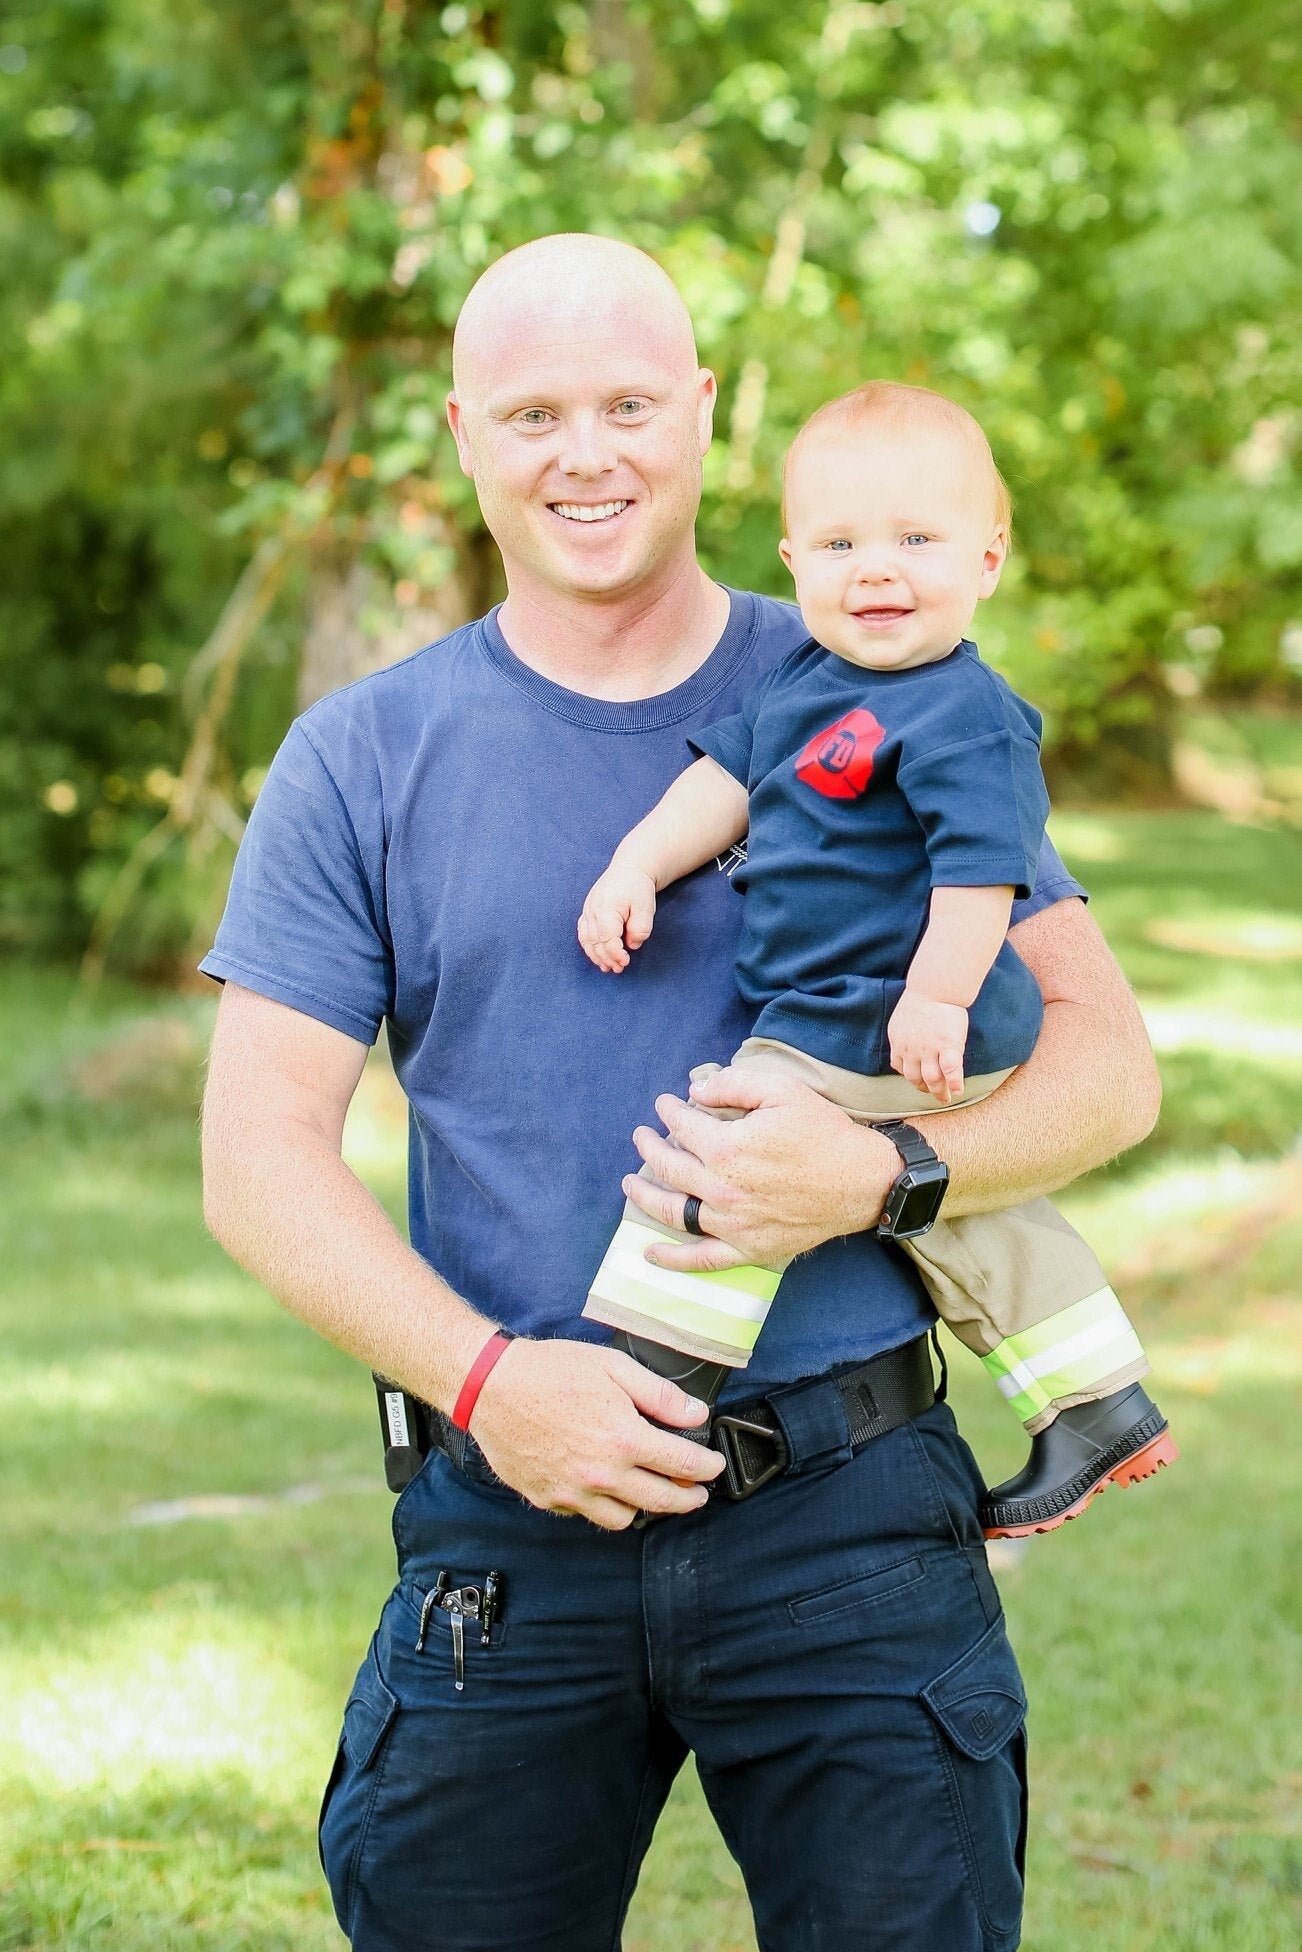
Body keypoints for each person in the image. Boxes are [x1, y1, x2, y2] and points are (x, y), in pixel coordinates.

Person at [200, 234, 1161, 1951]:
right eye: (534, 411)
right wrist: (492, 1385)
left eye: (631, 402)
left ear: (707, 412)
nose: (588, 451)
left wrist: (876, 1177)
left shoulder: (887, 669)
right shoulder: (363, 754)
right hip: (512, 1525)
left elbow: (1108, 1072)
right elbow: (256, 1163)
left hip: (849, 1522)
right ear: (462, 432)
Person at [579, 379, 1176, 1537]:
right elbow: (721, 783)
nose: (877, 569)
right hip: (834, 1005)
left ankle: (653, 1394)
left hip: (887, 1013)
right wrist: (636, 866)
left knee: (726, 1146)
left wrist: (937, 999)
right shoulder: (805, 683)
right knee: (953, 1208)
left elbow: (981, 873)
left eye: (916, 538)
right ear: (795, 560)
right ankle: (1097, 1399)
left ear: (989, 558)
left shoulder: (964, 711)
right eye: (843, 543)